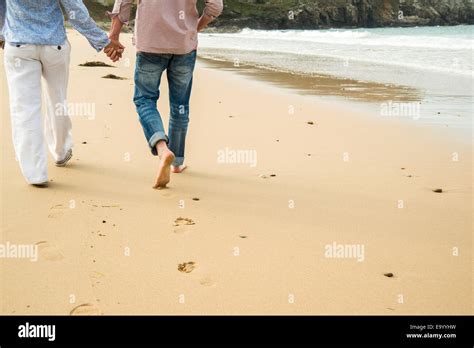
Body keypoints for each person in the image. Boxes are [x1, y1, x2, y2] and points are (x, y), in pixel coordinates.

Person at [0, 0, 123, 186]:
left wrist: (2, 33)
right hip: (54, 46)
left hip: (19, 46)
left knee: (24, 110)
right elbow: (75, 10)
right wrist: (103, 42)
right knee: (57, 101)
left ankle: (35, 173)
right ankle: (61, 151)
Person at [107, 0, 224, 189]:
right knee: (180, 105)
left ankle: (162, 149)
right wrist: (194, 28)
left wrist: (114, 34)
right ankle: (176, 162)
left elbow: (124, 2)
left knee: (144, 99)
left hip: (150, 44)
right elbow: (215, 6)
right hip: (184, 47)